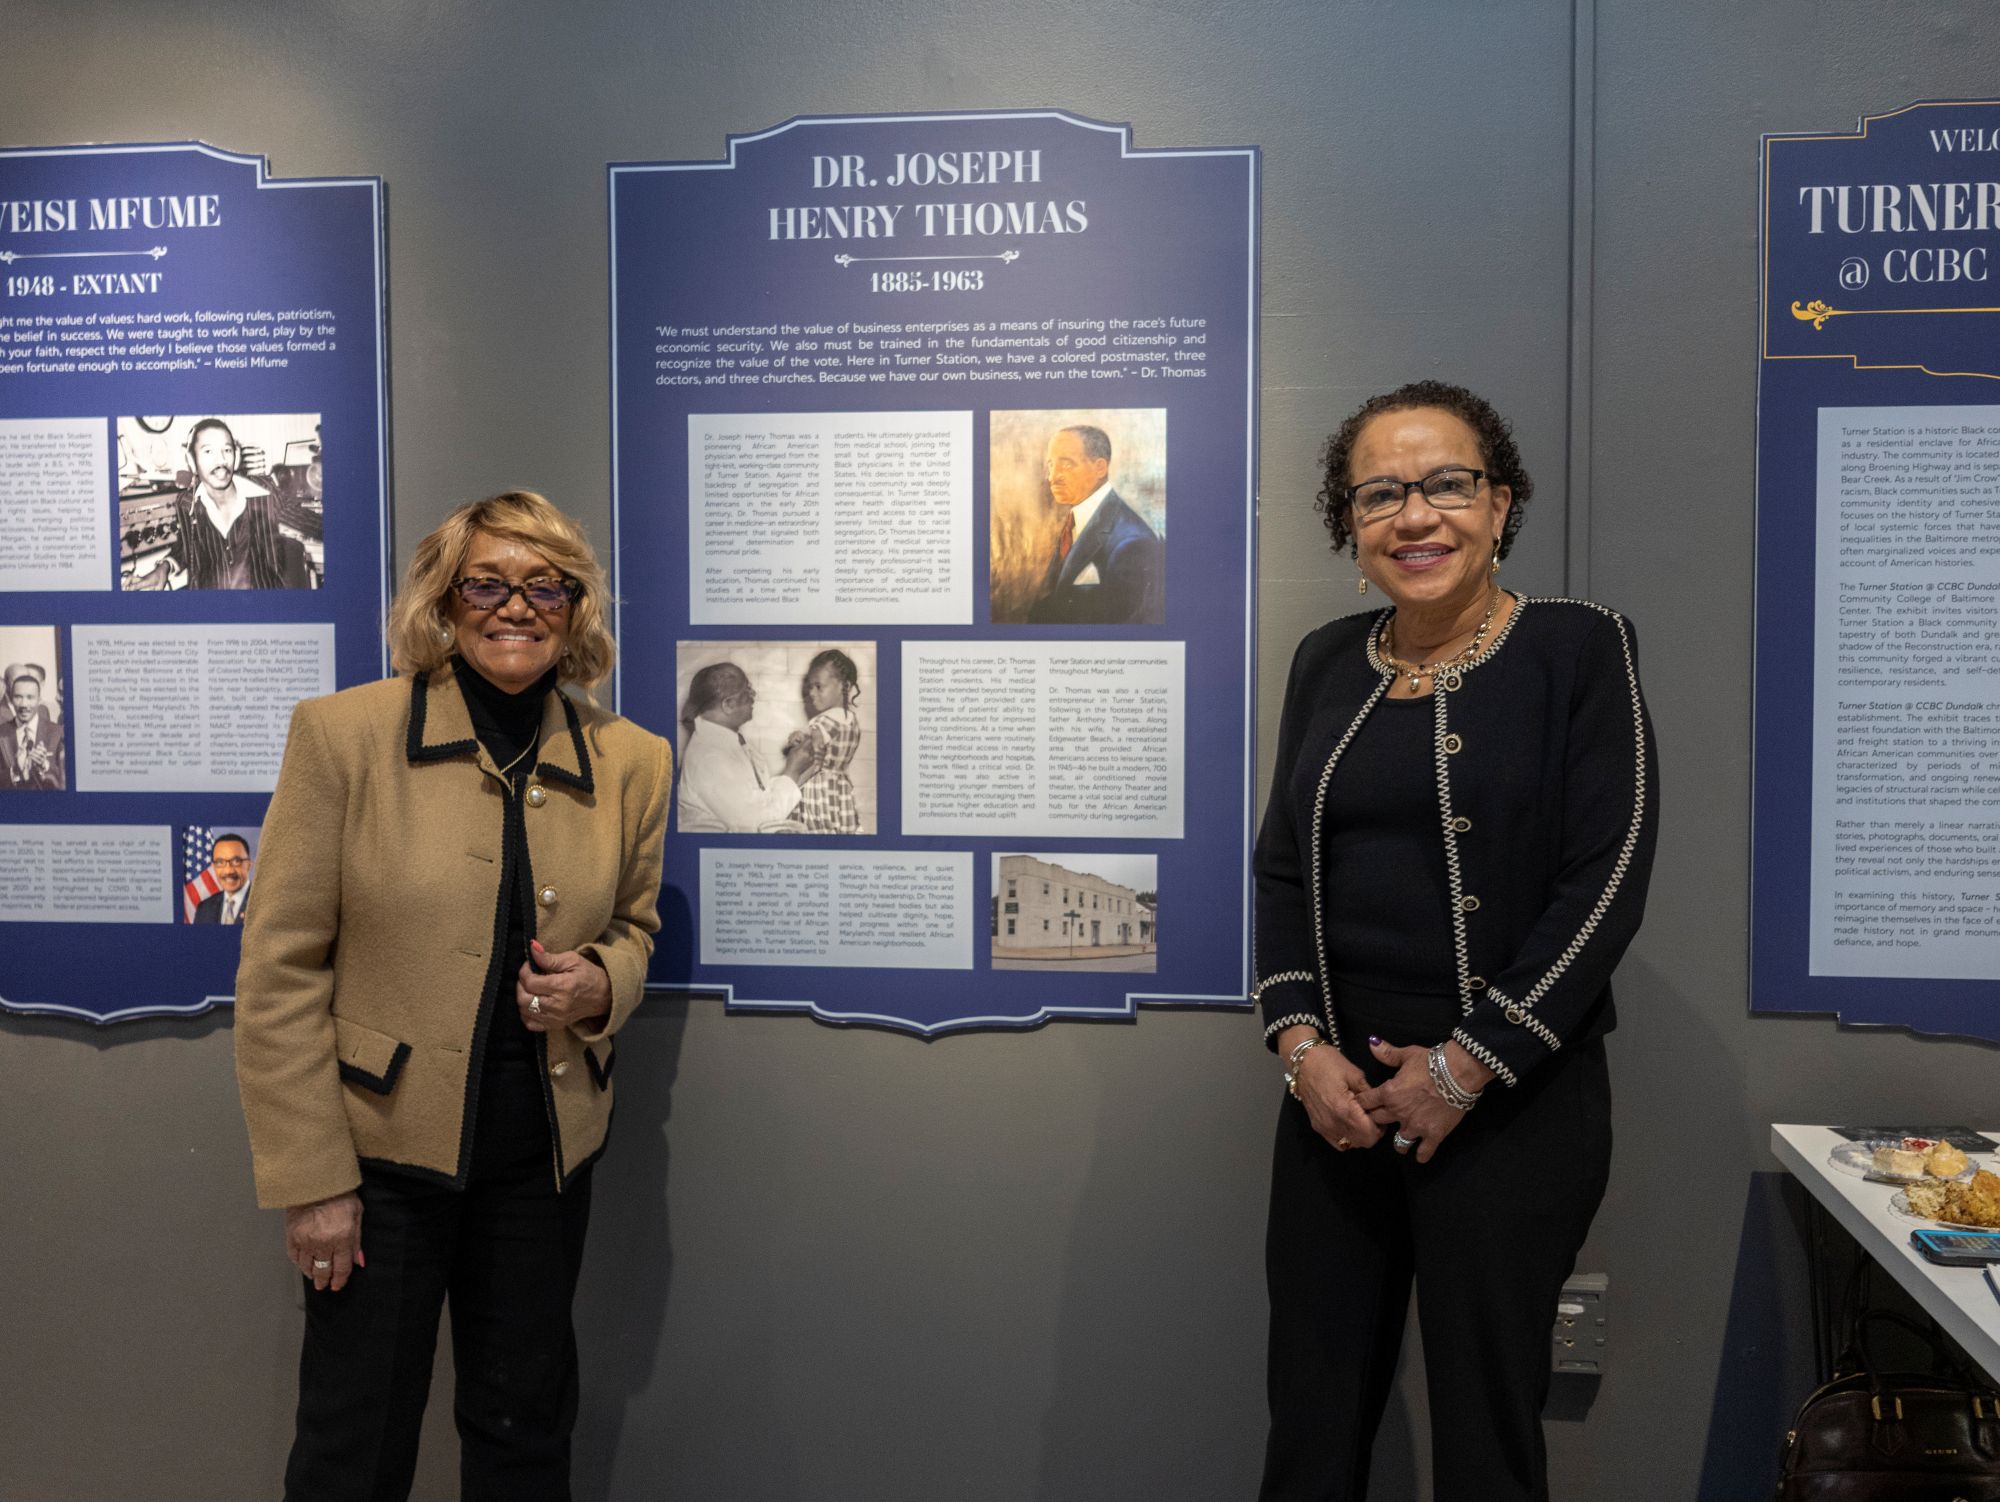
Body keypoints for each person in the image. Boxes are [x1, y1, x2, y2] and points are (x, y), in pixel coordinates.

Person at [1254, 380, 1657, 1501]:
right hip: (1333, 1103)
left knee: (1485, 1432)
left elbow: (1606, 877)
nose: (1414, 515)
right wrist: (1297, 1046)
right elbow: (1281, 868)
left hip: (1511, 1107)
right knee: (1310, 1419)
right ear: (1349, 525)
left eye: (1445, 483)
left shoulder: (1577, 649)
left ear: (1500, 502)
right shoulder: (1324, 659)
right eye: (1379, 493)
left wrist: (1463, 1064)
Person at [234, 490, 673, 1499]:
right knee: (354, 1442)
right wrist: (313, 1179)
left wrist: (601, 981)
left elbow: (637, 928)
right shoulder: (343, 736)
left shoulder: (634, 760)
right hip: (377, 1164)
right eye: (486, 582)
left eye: (543, 586)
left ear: (575, 607)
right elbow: (279, 970)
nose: (514, 607)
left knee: (524, 1433)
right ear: (444, 596)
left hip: (541, 1158)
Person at [128, 417, 311, 590]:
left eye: (227, 450)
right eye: (208, 451)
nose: (221, 460)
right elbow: (187, 547)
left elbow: (311, 521)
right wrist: (165, 567)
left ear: (236, 457)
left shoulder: (265, 493)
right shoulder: (187, 503)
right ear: (192, 461)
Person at [1027, 424, 1165, 625]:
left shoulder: (1131, 542)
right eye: (1050, 465)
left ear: (1100, 468)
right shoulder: (1076, 521)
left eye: (1066, 465)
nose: (1052, 477)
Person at [676, 661, 814, 833]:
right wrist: (792, 771)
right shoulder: (710, 758)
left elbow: (757, 795)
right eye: (747, 690)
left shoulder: (726, 742)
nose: (753, 695)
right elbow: (758, 826)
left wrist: (796, 763)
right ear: (728, 704)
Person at [791, 648, 862, 835]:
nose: (811, 693)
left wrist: (799, 739)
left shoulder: (823, 721)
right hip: (840, 788)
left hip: (818, 790)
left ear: (844, 687)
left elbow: (815, 751)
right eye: (809, 687)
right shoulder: (851, 720)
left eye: (818, 686)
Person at [0, 661, 63, 790]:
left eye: (30, 697)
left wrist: (45, 766)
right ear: (11, 698)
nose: (24, 704)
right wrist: (14, 771)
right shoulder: (2, 733)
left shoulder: (57, 732)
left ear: (39, 699)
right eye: (18, 697)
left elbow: (66, 780)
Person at [192, 833, 254, 924]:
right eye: (220, 862)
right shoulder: (204, 909)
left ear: (249, 865)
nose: (228, 871)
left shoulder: (265, 904)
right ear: (213, 867)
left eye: (236, 861)